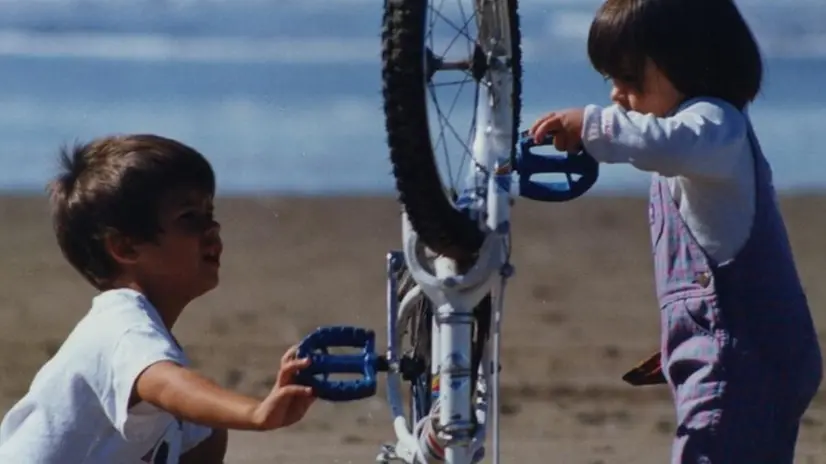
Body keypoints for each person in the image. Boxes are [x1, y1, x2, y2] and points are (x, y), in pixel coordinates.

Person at [528, 0, 822, 462]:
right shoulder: (698, 143)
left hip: (744, 356)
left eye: (629, 78)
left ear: (689, 59)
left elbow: (663, 143)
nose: (617, 96)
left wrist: (592, 125)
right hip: (730, 351)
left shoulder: (715, 125)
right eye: (611, 81)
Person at [0, 134, 316, 463]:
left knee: (202, 426)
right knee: (195, 413)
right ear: (125, 247)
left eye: (209, 212)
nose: (213, 228)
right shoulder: (121, 326)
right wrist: (256, 413)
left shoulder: (139, 326)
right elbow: (167, 385)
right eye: (189, 217)